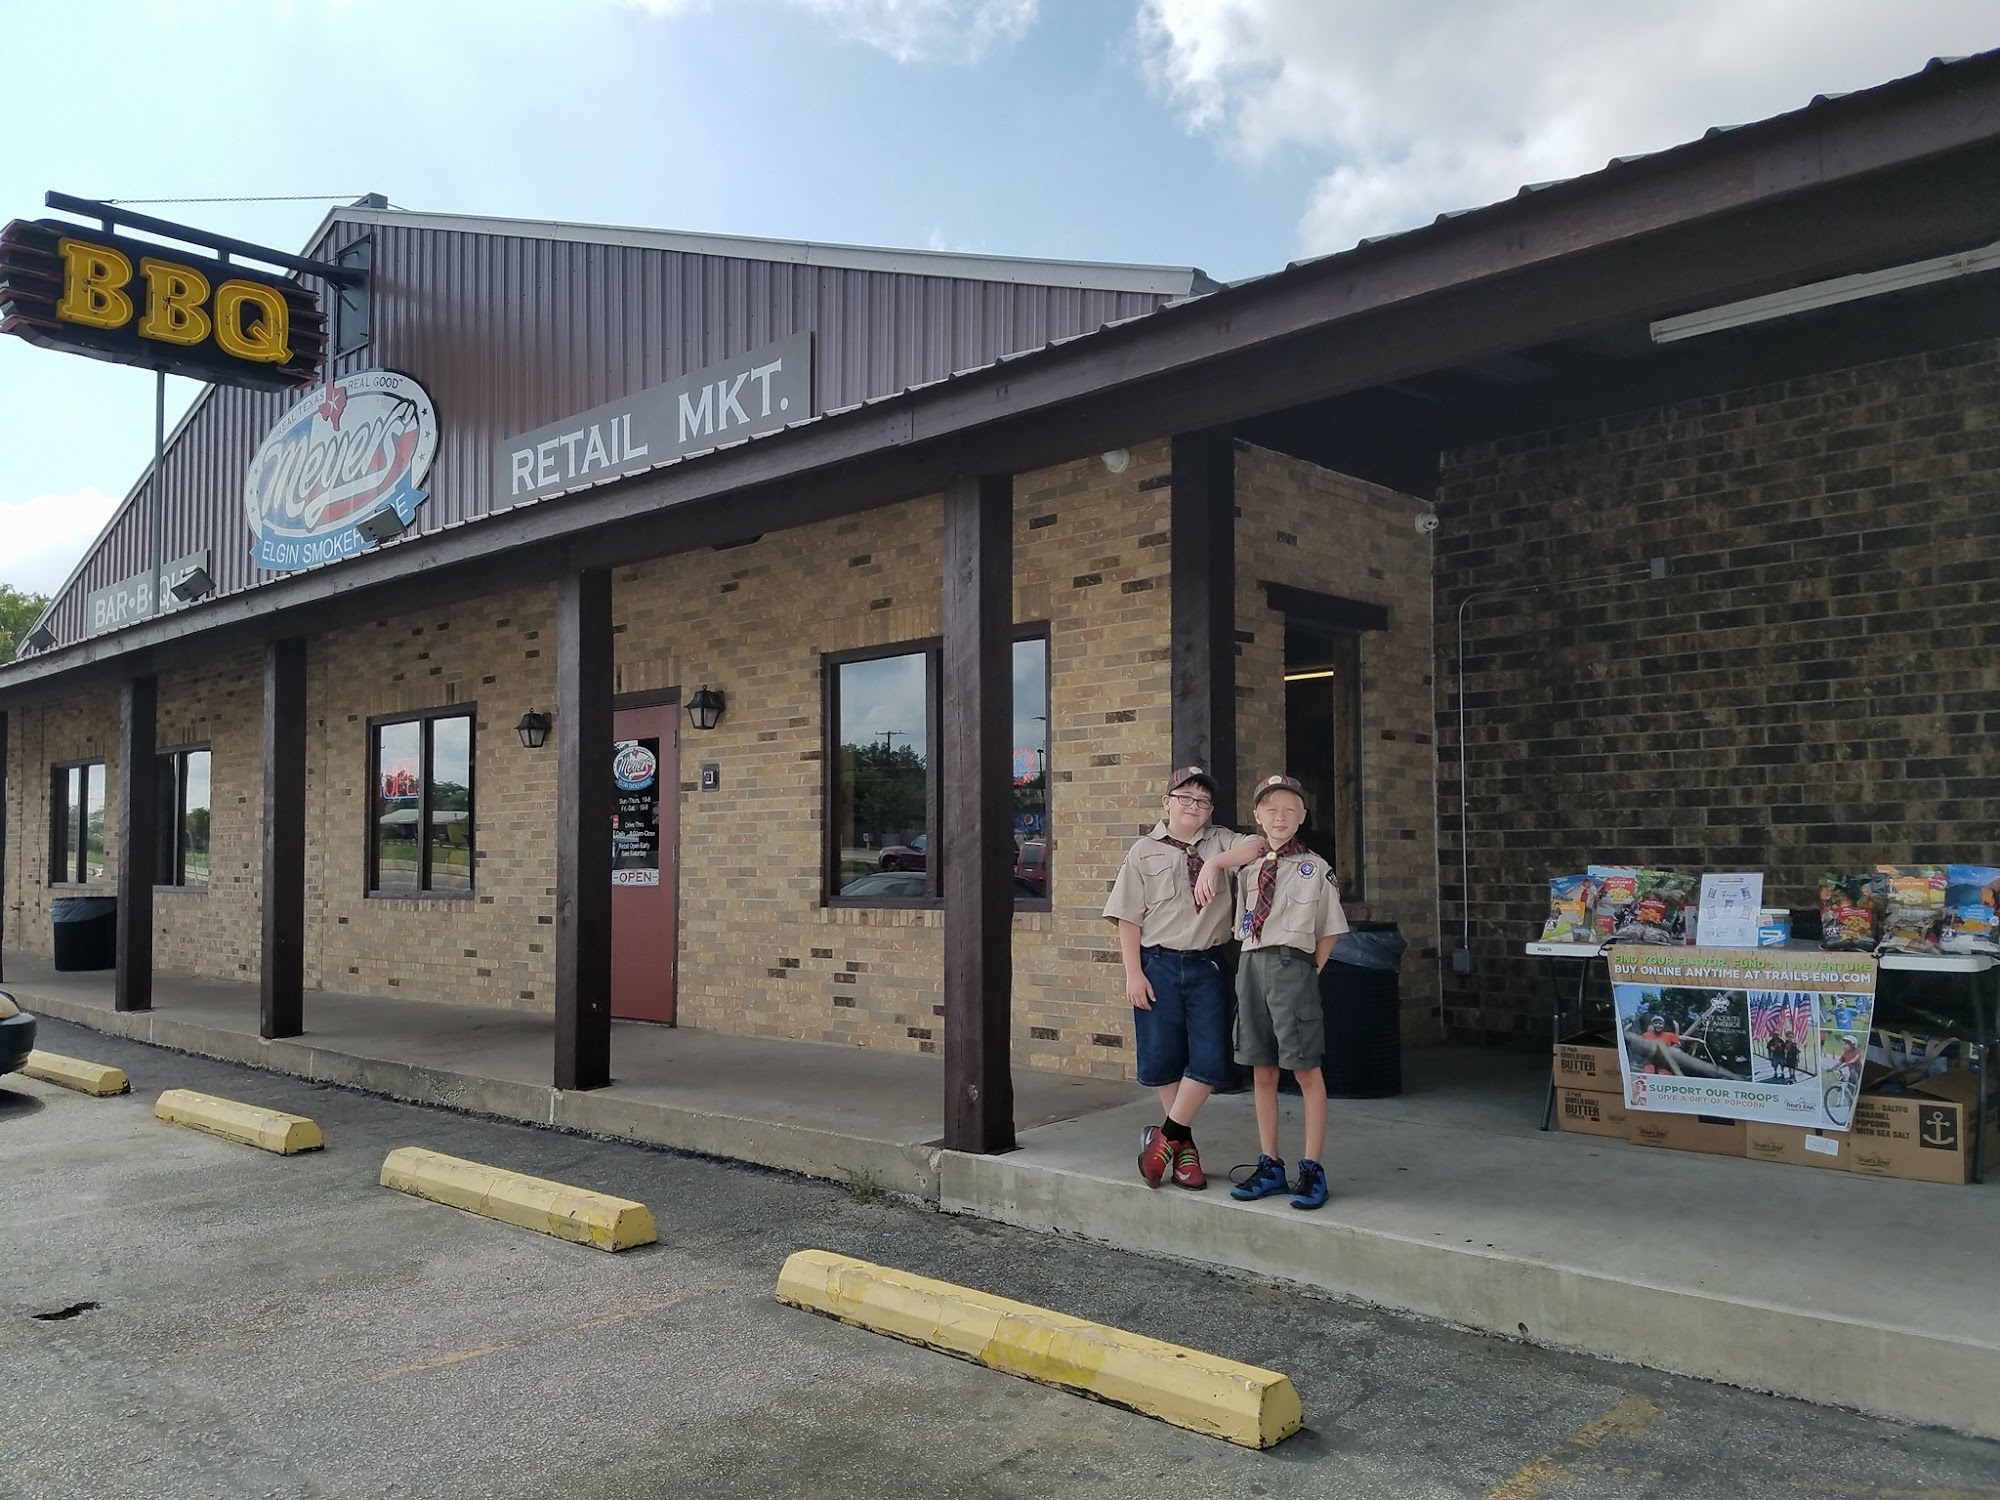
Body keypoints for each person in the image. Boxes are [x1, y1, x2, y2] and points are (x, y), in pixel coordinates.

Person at [1104, 766, 1266, 1190]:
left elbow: (1259, 845)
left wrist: (1215, 863)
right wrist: (1133, 974)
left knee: (1211, 1060)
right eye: (1186, 798)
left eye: (1203, 801)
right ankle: (1184, 1148)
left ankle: (1163, 1139)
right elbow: (1127, 917)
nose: (1194, 806)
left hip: (1206, 965)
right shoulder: (1143, 851)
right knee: (1164, 1059)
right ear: (1167, 803)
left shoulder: (1220, 840)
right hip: (1156, 963)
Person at [1211, 774, 1348, 1211]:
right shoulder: (1249, 865)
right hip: (1251, 965)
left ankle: (1311, 1167)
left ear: (1303, 816)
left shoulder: (1315, 867)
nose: (1280, 816)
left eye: (1290, 809)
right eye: (1270, 809)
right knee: (1262, 1068)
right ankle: (1270, 1163)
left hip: (1293, 967)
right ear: (1257, 816)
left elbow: (1329, 930)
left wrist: (1306, 971)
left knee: (1306, 1069)